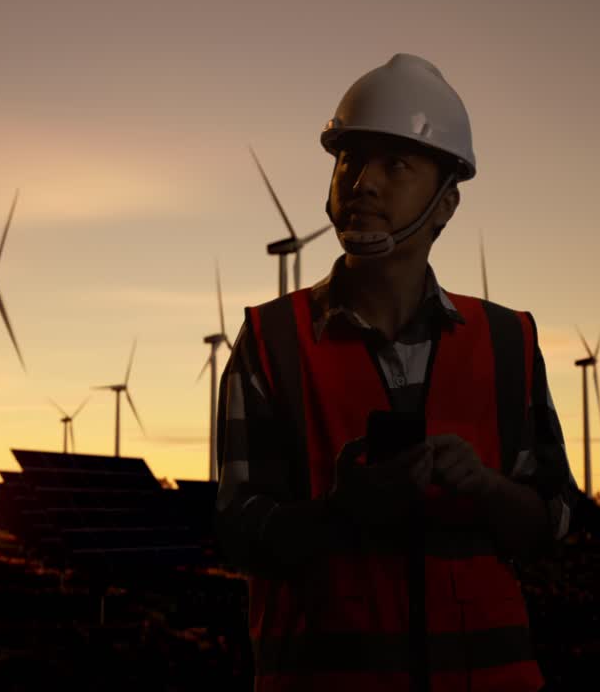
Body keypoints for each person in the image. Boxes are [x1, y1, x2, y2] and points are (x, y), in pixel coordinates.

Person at [215, 53, 580, 692]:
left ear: (446, 204)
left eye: (396, 164)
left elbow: (556, 520)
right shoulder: (271, 342)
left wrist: (487, 488)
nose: (364, 183)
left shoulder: (508, 342)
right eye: (349, 160)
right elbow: (238, 535)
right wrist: (342, 512)